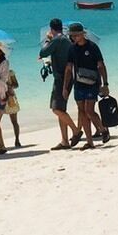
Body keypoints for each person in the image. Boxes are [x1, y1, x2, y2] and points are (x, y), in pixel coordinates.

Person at [61, 22, 110, 149]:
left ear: (83, 34)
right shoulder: (72, 49)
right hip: (79, 84)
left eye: (76, 35)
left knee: (89, 110)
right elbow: (68, 68)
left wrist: (105, 84)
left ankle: (103, 129)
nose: (74, 38)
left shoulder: (93, 47)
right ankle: (89, 141)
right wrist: (65, 88)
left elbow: (101, 65)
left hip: (93, 83)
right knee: (82, 112)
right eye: (72, 36)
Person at [38, 18, 80, 150]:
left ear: (51, 29)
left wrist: (47, 40)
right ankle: (64, 141)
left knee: (56, 109)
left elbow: (43, 52)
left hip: (61, 78)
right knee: (61, 110)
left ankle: (76, 131)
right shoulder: (66, 40)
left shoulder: (57, 40)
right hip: (68, 77)